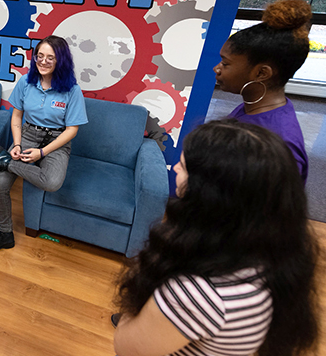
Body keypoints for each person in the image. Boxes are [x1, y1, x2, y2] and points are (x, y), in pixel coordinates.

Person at [113, 119, 319, 356]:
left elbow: (127, 349)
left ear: (210, 196)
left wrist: (148, 271)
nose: (176, 169)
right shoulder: (271, 257)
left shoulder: (195, 294)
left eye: (183, 165)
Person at [0, 35, 87, 254]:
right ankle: (5, 234)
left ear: (61, 60)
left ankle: (4, 161)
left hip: (56, 142)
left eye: (50, 58)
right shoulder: (26, 82)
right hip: (28, 134)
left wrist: (42, 152)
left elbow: (72, 130)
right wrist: (16, 144)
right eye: (40, 56)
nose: (43, 62)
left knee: (52, 181)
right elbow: (16, 117)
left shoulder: (72, 91)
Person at [213, 0, 311, 181]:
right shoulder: (250, 107)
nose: (217, 68)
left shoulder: (281, 144)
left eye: (225, 64)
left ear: (261, 73)